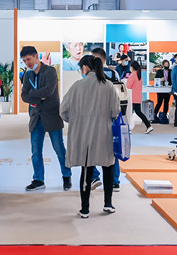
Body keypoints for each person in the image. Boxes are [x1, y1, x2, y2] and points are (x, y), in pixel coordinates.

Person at [61, 55, 121, 218]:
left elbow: (63, 110)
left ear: (85, 68)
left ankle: (85, 209)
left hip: (83, 135)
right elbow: (115, 112)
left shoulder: (77, 86)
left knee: (86, 170)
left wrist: (75, 120)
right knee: (108, 167)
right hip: (104, 134)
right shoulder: (109, 86)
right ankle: (108, 203)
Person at [20, 45, 72, 191]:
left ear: (36, 56)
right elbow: (24, 96)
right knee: (36, 152)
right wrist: (37, 96)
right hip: (35, 117)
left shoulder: (50, 71)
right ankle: (38, 179)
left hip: (51, 115)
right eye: (24, 61)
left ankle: (66, 176)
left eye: (29, 59)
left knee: (59, 149)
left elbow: (48, 91)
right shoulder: (27, 75)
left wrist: (32, 94)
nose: (27, 63)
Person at [89, 47, 122, 190]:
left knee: (90, 147)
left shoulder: (90, 75)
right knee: (112, 149)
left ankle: (94, 176)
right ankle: (114, 181)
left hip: (94, 117)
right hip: (111, 116)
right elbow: (120, 95)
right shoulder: (114, 73)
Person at [126, 61, 152, 133]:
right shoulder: (139, 75)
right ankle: (148, 126)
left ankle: (129, 128)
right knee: (138, 112)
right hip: (138, 97)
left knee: (129, 114)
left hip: (132, 97)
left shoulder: (132, 76)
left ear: (132, 67)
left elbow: (128, 86)